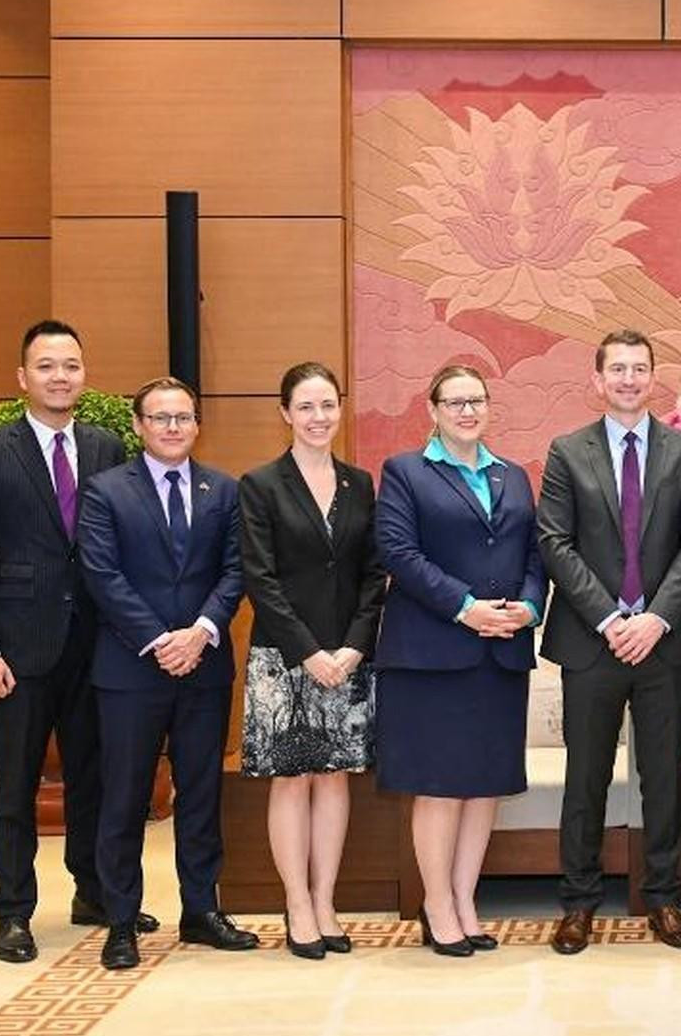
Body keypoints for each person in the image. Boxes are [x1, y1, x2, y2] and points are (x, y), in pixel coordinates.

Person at [0, 319, 149, 963]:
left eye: (70, 365)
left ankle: (92, 892)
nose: (59, 377)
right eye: (46, 366)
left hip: (95, 647)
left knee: (94, 777)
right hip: (16, 649)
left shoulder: (105, 448)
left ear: (84, 375)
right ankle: (13, 913)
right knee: (14, 786)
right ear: (23, 378)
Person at [538, 329, 681, 954]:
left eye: (640, 369)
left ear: (653, 377)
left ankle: (663, 898)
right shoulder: (567, 451)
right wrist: (612, 620)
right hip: (592, 643)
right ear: (598, 379)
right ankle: (579, 903)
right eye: (618, 369)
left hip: (663, 643)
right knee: (586, 776)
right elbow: (554, 541)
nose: (630, 379)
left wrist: (655, 618)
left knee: (663, 778)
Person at [79, 375, 254, 970]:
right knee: (125, 797)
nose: (173, 427)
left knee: (201, 794)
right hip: (130, 670)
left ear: (197, 424)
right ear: (138, 426)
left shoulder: (223, 491)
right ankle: (121, 919)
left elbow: (236, 571)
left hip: (204, 666)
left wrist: (200, 632)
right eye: (160, 417)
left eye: (183, 417)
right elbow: (102, 576)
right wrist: (159, 641)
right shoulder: (105, 491)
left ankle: (201, 910)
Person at [373, 363, 546, 958]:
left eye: (476, 401)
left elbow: (534, 553)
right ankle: (436, 904)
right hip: (432, 655)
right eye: (455, 402)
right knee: (441, 787)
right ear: (432, 409)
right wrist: (466, 607)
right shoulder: (406, 472)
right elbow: (397, 551)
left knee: (485, 787)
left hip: (501, 652)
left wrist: (527, 607)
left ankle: (466, 899)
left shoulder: (513, 475)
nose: (467, 411)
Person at [237, 362, 386, 960]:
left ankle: (326, 899)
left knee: (334, 781)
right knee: (292, 781)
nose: (318, 417)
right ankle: (296, 901)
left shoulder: (360, 483)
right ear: (285, 414)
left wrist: (352, 645)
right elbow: (260, 578)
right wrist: (308, 652)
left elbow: (372, 574)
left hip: (347, 659)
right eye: (306, 406)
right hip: (284, 659)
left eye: (328, 405)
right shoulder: (261, 484)